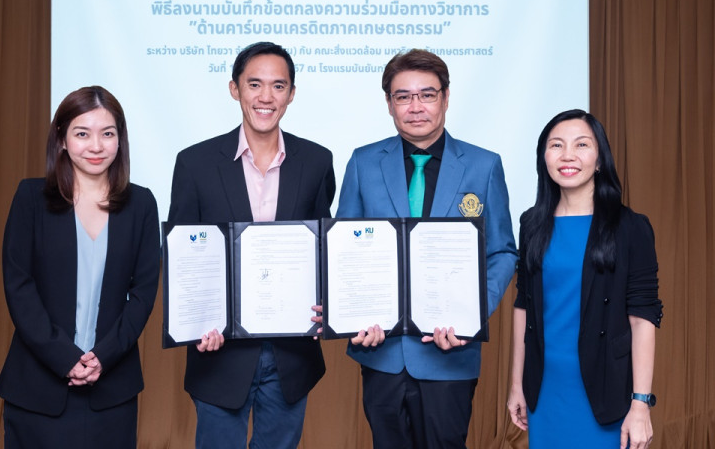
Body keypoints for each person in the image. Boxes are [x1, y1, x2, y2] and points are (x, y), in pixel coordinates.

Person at [335, 49, 518, 448]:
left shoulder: (483, 166)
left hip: (449, 353)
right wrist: (353, 316)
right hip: (382, 353)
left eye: (427, 95)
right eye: (403, 96)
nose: (415, 107)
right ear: (389, 104)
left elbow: (503, 252)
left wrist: (472, 314)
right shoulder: (363, 163)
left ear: (446, 98)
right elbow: (343, 252)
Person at [167, 41, 335, 449]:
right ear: (234, 89)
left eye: (278, 86)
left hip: (291, 356)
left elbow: (324, 251)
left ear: (291, 93)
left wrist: (328, 303)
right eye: (254, 84)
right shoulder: (195, 163)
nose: (266, 97)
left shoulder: (317, 161)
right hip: (219, 354)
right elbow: (181, 258)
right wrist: (196, 322)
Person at [0, 86, 160, 448]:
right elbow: (19, 286)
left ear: (120, 140)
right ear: (61, 139)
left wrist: (103, 357)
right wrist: (65, 358)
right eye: (82, 134)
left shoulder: (142, 204)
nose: (96, 146)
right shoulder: (30, 198)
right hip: (37, 389)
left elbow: (144, 293)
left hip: (112, 391)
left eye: (108, 134)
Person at [506, 109, 663, 449]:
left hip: (605, 390)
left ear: (600, 158)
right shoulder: (531, 224)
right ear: (543, 157)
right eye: (556, 145)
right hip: (545, 388)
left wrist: (640, 404)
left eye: (581, 145)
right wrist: (517, 384)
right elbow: (524, 306)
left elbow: (642, 319)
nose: (568, 155)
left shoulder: (630, 227)